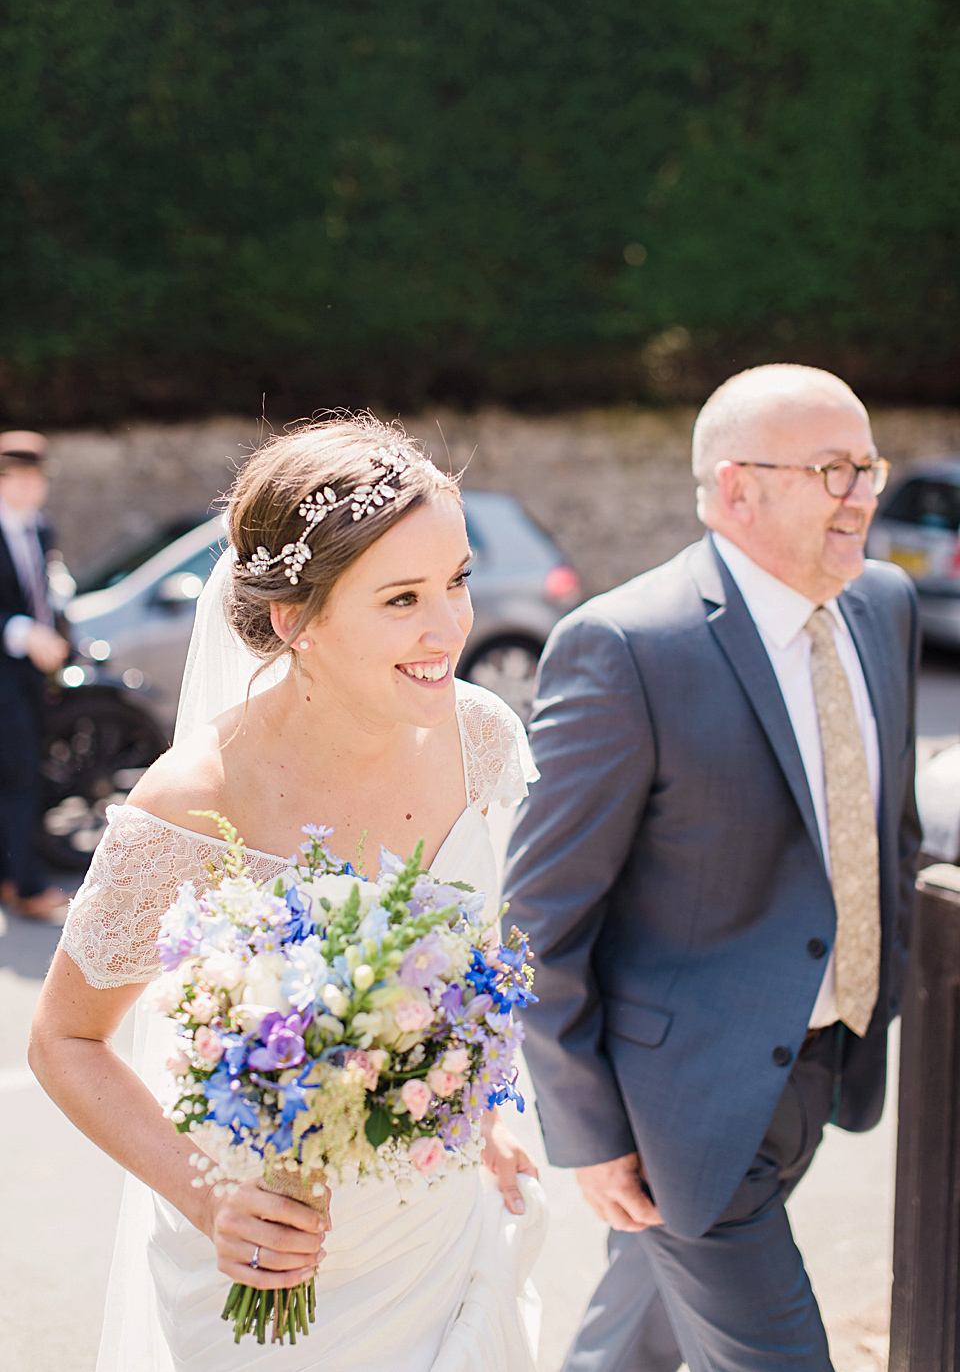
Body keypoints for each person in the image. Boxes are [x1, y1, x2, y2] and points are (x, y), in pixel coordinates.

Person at [29, 417, 546, 1372]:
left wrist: (484, 1117)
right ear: (293, 618)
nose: (451, 628)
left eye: (458, 580)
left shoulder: (483, 739)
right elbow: (64, 1040)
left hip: (437, 1243)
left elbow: (460, 967)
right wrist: (208, 1198)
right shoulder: (194, 803)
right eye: (402, 599)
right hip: (271, 1267)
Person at [504, 365, 920, 1372]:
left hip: (817, 1068)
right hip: (677, 1106)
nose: (864, 493)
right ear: (739, 488)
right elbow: (536, 918)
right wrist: (591, 1131)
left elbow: (888, 823)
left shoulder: (886, 606)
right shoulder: (626, 646)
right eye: (834, 469)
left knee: (633, 1334)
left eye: (868, 465)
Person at [0, 429, 70, 921]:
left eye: (34, 478)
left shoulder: (41, 529)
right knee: (20, 777)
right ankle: (27, 886)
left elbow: (45, 591)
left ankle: (10, 875)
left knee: (23, 774)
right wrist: (25, 633)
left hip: (30, 678)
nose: (26, 488)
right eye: (14, 478)